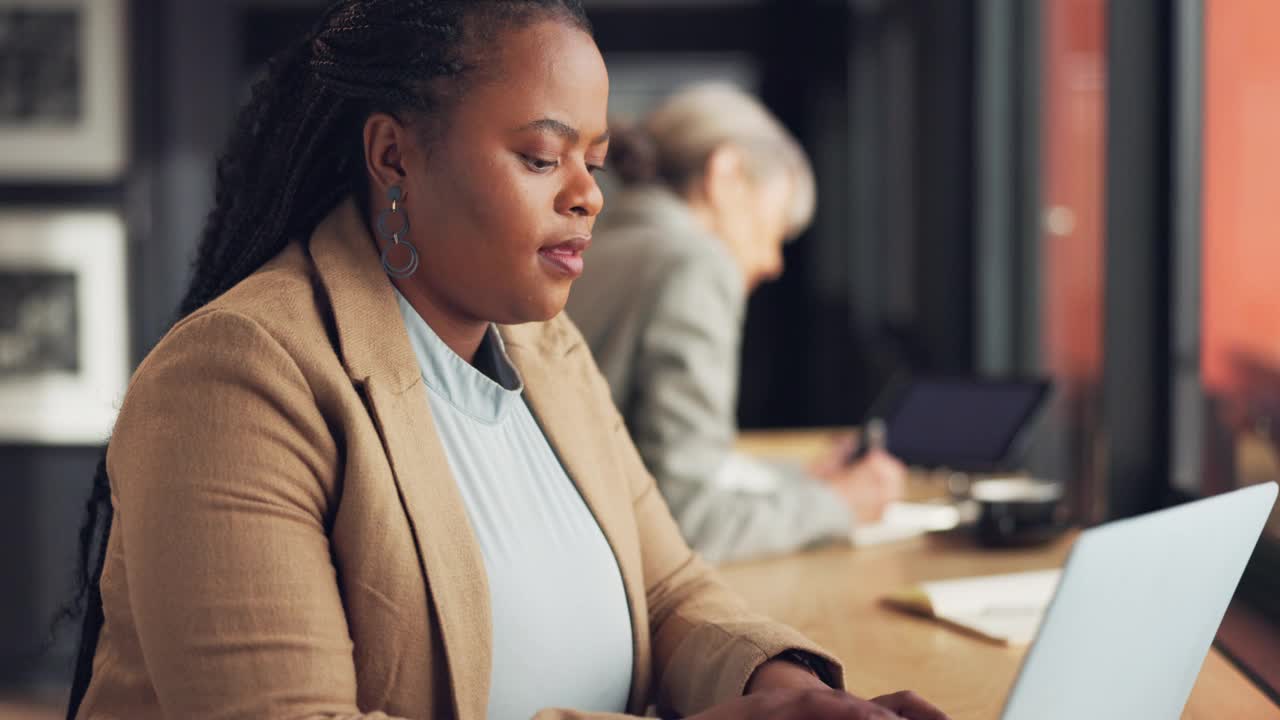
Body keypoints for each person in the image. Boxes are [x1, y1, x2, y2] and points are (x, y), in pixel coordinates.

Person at [62, 3, 949, 719]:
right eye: (541, 156)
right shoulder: (237, 380)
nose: (589, 194)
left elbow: (670, 589)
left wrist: (790, 693)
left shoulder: (544, 347)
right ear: (393, 156)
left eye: (594, 160)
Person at [565, 84, 908, 566]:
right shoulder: (695, 262)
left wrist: (804, 481)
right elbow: (689, 521)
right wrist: (839, 505)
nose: (774, 263)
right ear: (726, 176)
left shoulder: (598, 244)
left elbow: (652, 465)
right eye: (777, 228)